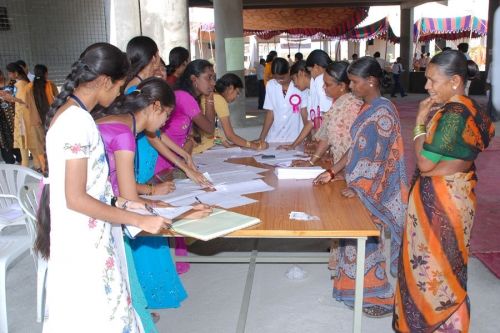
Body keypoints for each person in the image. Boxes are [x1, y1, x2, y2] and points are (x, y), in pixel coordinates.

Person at [35, 42, 172, 332]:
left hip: (91, 230)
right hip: (83, 240)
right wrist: (138, 219)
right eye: (120, 85)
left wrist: (124, 203)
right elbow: (75, 198)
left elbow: (91, 186)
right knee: (100, 317)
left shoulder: (76, 115)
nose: (120, 93)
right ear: (104, 80)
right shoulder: (76, 122)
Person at [393, 50, 495, 333]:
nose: (427, 87)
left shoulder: (454, 113)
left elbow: (425, 162)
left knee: (432, 265)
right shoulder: (475, 109)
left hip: (440, 202)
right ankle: (451, 323)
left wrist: (420, 123)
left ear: (455, 81)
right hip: (460, 195)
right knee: (450, 261)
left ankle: (432, 324)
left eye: (432, 80)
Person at [97, 77, 212, 318]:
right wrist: (184, 212)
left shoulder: (117, 122)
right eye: (167, 115)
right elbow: (130, 203)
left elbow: (119, 189)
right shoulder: (125, 134)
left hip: (104, 200)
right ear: (155, 106)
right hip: (100, 211)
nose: (166, 122)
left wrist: (154, 201)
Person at [313, 56, 408, 317]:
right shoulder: (366, 108)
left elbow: (379, 159)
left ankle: (378, 296)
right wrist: (332, 172)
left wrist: (358, 188)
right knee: (351, 241)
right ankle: (351, 291)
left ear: (371, 81)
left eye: (354, 82)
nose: (351, 86)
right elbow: (356, 148)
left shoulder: (384, 112)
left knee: (367, 244)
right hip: (358, 183)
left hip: (375, 190)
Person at [194, 73, 268, 153]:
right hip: (200, 149)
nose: (236, 97)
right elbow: (230, 136)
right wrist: (255, 146)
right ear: (231, 88)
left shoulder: (212, 96)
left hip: (200, 145)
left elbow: (211, 134)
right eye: (237, 93)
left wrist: (225, 143)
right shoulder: (219, 99)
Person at [277, 50, 333, 151]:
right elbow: (312, 121)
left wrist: (318, 147)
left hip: (329, 141)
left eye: (294, 79)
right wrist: (294, 145)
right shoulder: (311, 88)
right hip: (323, 142)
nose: (294, 84)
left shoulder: (320, 80)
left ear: (301, 73)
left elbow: (326, 118)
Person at [255, 57, 307, 144]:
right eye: (276, 78)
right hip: (274, 137)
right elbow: (270, 113)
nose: (279, 81)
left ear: (289, 71)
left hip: (295, 137)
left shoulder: (300, 85)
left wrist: (308, 138)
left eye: (282, 77)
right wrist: (262, 137)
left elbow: (304, 112)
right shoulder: (270, 85)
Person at [23, 64, 59, 174]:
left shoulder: (28, 87)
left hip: (35, 121)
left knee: (40, 145)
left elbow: (26, 105)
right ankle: (57, 165)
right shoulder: (50, 84)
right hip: (51, 118)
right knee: (54, 142)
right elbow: (57, 99)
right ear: (46, 73)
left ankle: (44, 168)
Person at [6, 62, 31, 168]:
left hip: (22, 118)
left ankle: (25, 166)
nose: (9, 76)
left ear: (15, 73)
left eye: (10, 73)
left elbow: (23, 101)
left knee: (24, 143)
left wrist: (11, 98)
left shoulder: (21, 84)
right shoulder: (21, 83)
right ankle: (28, 166)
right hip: (22, 116)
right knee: (26, 144)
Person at [0, 69, 22, 164]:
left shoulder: (12, 83)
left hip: (14, 116)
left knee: (16, 136)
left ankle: (21, 158)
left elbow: (19, 97)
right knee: (4, 138)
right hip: (1, 119)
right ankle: (9, 160)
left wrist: (9, 96)